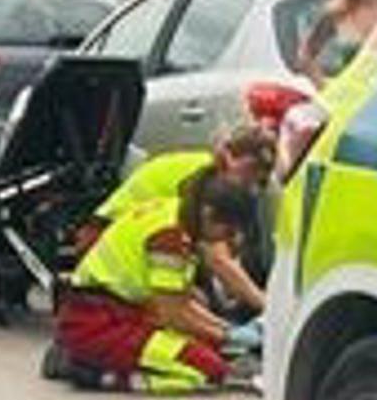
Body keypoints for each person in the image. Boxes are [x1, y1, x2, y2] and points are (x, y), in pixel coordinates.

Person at [53, 170, 263, 394]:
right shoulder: (170, 238)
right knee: (207, 370)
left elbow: (181, 302)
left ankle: (85, 356)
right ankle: (95, 374)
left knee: (209, 345)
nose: (228, 240)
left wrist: (227, 330)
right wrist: (228, 336)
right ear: (208, 214)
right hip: (97, 323)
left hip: (113, 313)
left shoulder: (174, 211)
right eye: (228, 231)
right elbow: (172, 314)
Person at [82, 124, 276, 315]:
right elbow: (217, 259)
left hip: (129, 238)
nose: (252, 183)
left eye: (261, 178)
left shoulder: (209, 169)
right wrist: (266, 307)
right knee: (192, 307)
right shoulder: (203, 179)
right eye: (251, 169)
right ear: (229, 156)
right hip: (108, 246)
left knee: (199, 302)